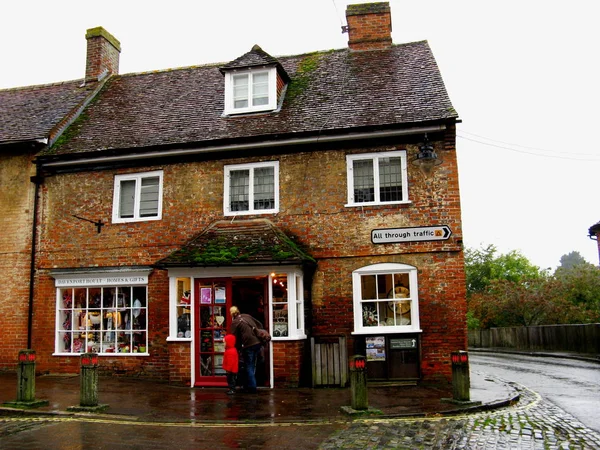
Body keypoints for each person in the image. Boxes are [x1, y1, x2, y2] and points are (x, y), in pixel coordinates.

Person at [229, 306, 262, 393]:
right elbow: (259, 324)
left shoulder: (235, 322)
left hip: (249, 345)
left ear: (231, 314)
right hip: (257, 343)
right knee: (253, 365)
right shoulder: (247, 316)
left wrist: (236, 348)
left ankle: (252, 388)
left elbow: (232, 337)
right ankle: (251, 384)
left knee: (248, 366)